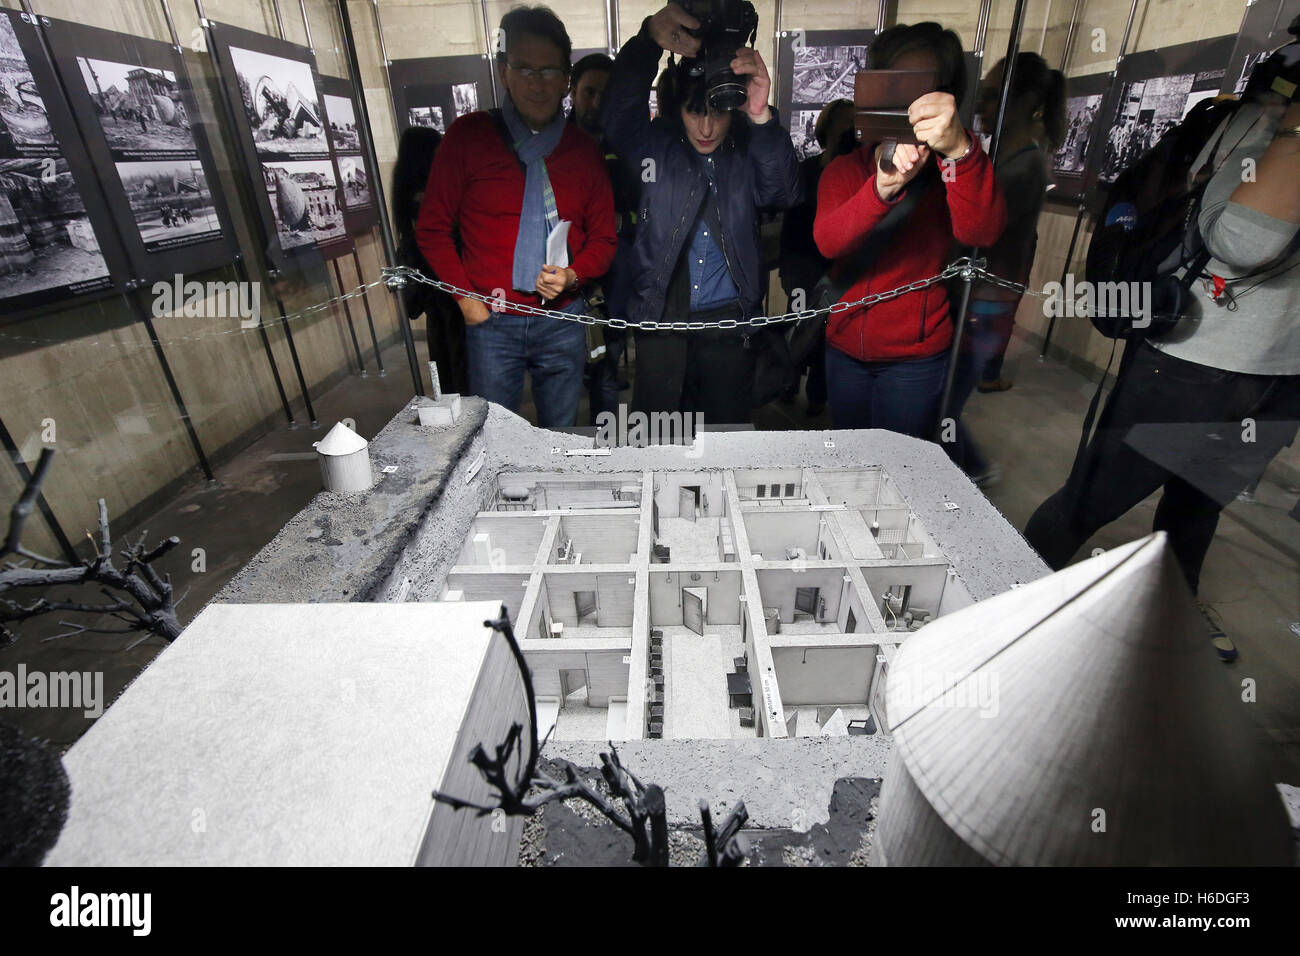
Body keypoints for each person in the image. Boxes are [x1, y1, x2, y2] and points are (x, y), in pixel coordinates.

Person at [1023, 41, 1300, 662]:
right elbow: (1245, 242)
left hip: (1283, 371)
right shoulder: (1259, 124)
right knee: (1091, 499)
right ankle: (1005, 598)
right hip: (1196, 362)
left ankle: (1173, 607)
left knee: (1199, 504)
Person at [601, 2, 802, 425]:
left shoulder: (748, 149)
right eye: (696, 112)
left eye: (718, 112)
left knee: (727, 437)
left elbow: (784, 191)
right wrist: (645, 42)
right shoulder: (654, 146)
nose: (707, 129)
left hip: (730, 321)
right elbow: (617, 118)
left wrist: (762, 116)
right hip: (661, 318)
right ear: (679, 109)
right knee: (660, 439)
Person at [416, 5, 617, 427]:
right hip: (492, 322)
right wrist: (467, 302)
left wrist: (574, 275)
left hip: (562, 318)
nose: (537, 83)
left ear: (566, 77)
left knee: (558, 435)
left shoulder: (583, 151)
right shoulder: (469, 138)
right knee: (494, 435)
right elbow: (432, 228)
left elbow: (603, 239)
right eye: (524, 69)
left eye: (549, 71)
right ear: (504, 69)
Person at [813, 22, 1006, 437]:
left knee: (902, 471)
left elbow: (981, 232)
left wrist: (958, 151)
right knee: (849, 460)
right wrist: (882, 187)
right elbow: (829, 242)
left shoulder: (957, 168)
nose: (911, 105)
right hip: (846, 347)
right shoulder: (847, 168)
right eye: (897, 86)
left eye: (925, 90)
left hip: (914, 359)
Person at [943, 53, 1065, 485]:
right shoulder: (1009, 158)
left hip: (985, 301)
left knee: (944, 403)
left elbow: (978, 230)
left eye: (994, 97)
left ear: (1026, 101)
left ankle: (973, 468)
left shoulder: (1024, 165)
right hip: (977, 295)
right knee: (942, 400)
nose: (982, 108)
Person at [778, 98, 856, 416]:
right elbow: (792, 225)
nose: (849, 130)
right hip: (803, 263)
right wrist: (788, 269)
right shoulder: (807, 170)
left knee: (827, 334)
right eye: (844, 124)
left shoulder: (858, 175)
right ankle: (787, 383)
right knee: (797, 326)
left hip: (838, 267)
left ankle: (817, 395)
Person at [568, 52, 634, 423]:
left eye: (604, 95)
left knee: (605, 361)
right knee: (557, 370)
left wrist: (619, 221)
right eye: (588, 92)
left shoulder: (629, 145)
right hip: (560, 271)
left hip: (614, 270)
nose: (595, 103)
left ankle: (603, 450)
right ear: (572, 92)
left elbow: (644, 207)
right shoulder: (549, 145)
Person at [394, 124, 469, 396]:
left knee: (446, 356)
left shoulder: (410, 192)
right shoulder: (424, 196)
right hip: (443, 287)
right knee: (456, 358)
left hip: (437, 290)